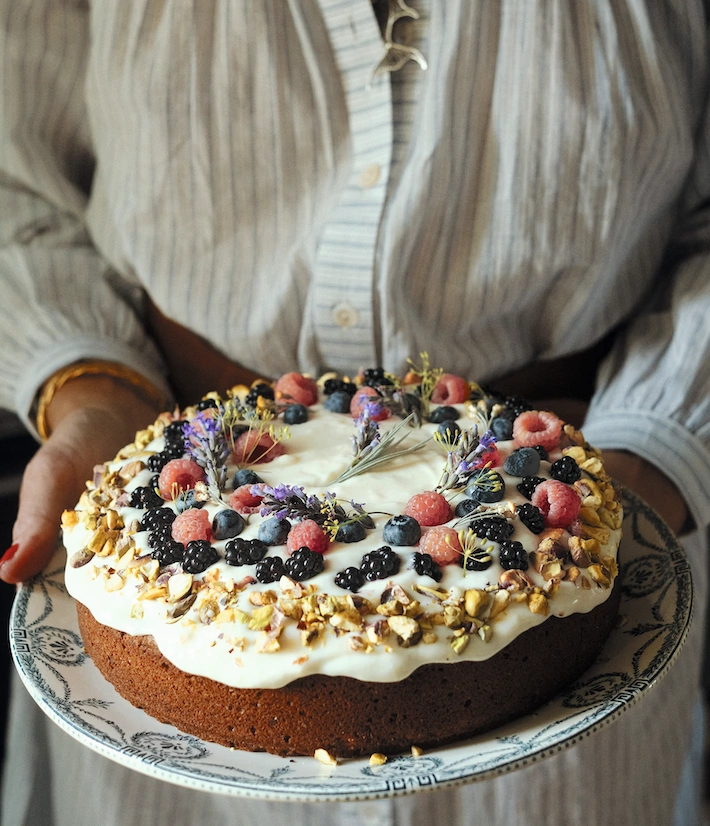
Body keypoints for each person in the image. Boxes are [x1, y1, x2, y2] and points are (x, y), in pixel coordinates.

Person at [1, 1, 709, 824]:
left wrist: (642, 453)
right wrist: (97, 393)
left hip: (566, 721)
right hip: (164, 769)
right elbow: (17, 180)